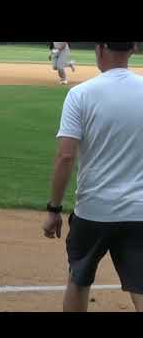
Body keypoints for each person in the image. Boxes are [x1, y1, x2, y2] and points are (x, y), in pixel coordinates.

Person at [42, 42, 143, 312]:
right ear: (133, 49)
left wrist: (53, 209)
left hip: (93, 210)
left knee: (78, 280)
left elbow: (65, 157)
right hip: (139, 210)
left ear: (99, 49)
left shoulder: (81, 94)